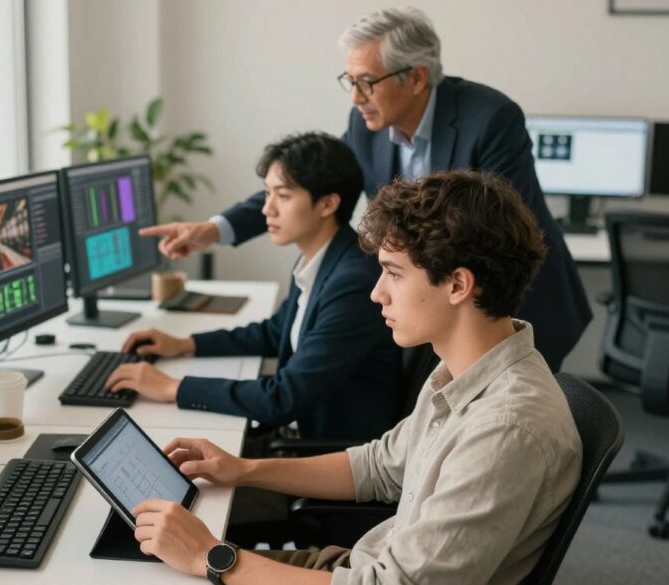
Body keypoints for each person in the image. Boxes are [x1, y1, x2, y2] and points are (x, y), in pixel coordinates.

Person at [128, 171, 583, 584]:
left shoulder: (504, 429)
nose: (376, 292)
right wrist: (244, 469)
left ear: (458, 285)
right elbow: (379, 466)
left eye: (393, 274)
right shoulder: (463, 370)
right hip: (357, 567)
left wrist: (212, 556)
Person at [138, 7, 590, 372]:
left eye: (366, 82)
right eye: (350, 81)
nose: (355, 97)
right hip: (434, 307)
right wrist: (215, 230)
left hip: (511, 308)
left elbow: (499, 234)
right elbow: (312, 183)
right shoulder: (367, 123)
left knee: (517, 441)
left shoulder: (489, 118)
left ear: (414, 78)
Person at [107, 131, 401, 441]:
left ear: (328, 204)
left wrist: (171, 387)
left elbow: (282, 398)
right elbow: (276, 332)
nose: (267, 209)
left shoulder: (351, 282)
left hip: (331, 453)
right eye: (267, 193)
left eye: (283, 196)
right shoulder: (324, 258)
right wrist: (185, 344)